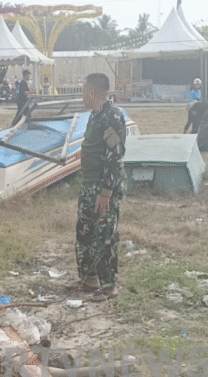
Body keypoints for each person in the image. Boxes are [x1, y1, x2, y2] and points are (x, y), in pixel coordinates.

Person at [76, 73, 125, 302]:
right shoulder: (95, 116)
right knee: (86, 232)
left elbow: (114, 157)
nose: (82, 95)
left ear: (93, 92)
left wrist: (106, 192)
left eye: (84, 91)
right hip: (89, 184)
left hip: (102, 186)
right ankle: (89, 278)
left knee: (105, 235)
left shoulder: (111, 116)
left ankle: (108, 286)